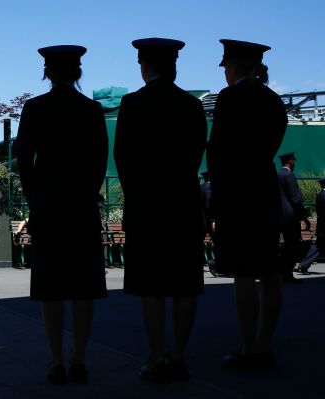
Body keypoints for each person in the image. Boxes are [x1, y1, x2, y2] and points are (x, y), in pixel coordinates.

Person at [114, 38, 207, 383]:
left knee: (151, 286)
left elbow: (122, 157)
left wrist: (137, 195)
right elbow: (198, 154)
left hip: (147, 206)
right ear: (174, 65)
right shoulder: (191, 106)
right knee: (185, 285)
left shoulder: (132, 103)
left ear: (144, 65)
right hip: (183, 202)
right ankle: (179, 355)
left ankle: (155, 356)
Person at [16, 44, 108, 384]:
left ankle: (55, 360)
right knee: (83, 286)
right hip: (81, 206)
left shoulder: (34, 108)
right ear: (78, 72)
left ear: (47, 72)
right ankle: (80, 358)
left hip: (49, 206)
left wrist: (35, 200)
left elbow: (24, 161)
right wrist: (88, 195)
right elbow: (99, 161)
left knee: (50, 286)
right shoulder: (92, 109)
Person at [206, 39, 288, 371]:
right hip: (265, 191)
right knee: (269, 273)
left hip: (237, 196)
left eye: (226, 66)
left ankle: (248, 346)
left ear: (234, 67)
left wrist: (216, 205)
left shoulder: (229, 98)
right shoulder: (272, 101)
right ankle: (265, 345)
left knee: (242, 274)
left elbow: (218, 150)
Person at [277, 152, 311, 282]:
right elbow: (295, 198)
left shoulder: (277, 175)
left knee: (286, 245)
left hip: (280, 216)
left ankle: (282, 271)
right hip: (291, 216)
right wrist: (304, 217)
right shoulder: (289, 175)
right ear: (290, 162)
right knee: (293, 245)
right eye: (294, 161)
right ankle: (287, 273)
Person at [296, 177, 325, 274]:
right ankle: (304, 264)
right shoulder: (324, 196)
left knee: (318, 246)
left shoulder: (321, 195)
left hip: (322, 226)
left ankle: (304, 264)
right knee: (318, 246)